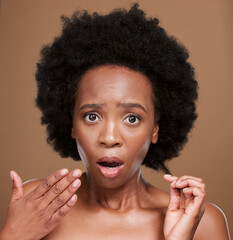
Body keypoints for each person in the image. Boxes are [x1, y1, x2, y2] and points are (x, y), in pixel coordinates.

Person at [0, 3, 230, 240]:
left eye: (132, 118)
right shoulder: (38, 206)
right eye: (92, 116)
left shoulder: (203, 224)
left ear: (156, 129)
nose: (109, 138)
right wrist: (12, 235)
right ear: (71, 124)